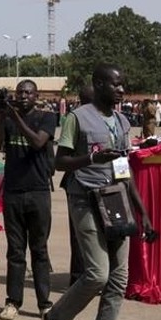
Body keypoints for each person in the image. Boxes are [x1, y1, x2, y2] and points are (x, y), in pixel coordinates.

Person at [42, 64, 155, 320]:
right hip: (84, 199)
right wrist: (91, 158)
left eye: (123, 85)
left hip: (116, 200)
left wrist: (143, 214)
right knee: (97, 274)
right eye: (116, 85)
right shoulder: (76, 118)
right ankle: (55, 318)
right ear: (100, 85)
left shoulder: (121, 121)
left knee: (119, 279)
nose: (121, 90)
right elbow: (60, 162)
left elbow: (123, 169)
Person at [0, 80, 56, 320]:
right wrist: (2, 118)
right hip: (13, 192)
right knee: (15, 251)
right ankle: (12, 301)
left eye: (28, 92)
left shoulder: (46, 118)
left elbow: (38, 143)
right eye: (20, 92)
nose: (24, 96)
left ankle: (44, 303)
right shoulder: (8, 119)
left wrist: (15, 118)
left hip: (38, 191)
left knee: (39, 250)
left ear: (36, 95)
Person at [62, 85, 94, 286]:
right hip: (79, 183)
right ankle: (78, 278)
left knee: (84, 235)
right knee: (80, 234)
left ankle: (85, 276)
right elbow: (63, 157)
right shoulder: (76, 119)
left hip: (96, 182)